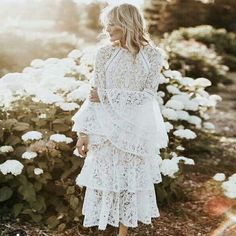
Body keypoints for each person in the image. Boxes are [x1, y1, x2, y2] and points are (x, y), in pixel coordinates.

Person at [71, 3, 169, 236]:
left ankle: (123, 234)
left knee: (130, 184)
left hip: (136, 129)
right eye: (106, 23)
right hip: (104, 130)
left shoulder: (153, 56)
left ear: (127, 23)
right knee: (107, 182)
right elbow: (93, 95)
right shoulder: (104, 53)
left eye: (112, 23)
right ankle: (109, 229)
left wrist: (106, 96)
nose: (106, 29)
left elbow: (148, 95)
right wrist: (83, 132)